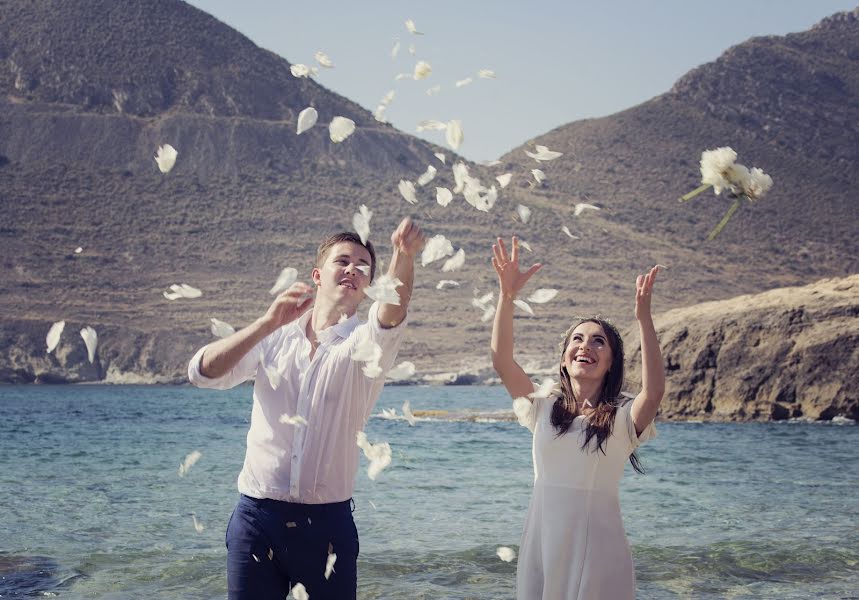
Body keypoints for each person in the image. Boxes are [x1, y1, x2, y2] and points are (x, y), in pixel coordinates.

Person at [188, 217, 425, 600]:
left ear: (368, 288)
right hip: (256, 518)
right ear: (318, 275)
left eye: (362, 267)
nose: (352, 269)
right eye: (342, 261)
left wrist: (403, 254)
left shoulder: (367, 346)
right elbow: (202, 372)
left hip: (327, 528)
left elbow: (392, 309)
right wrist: (266, 324)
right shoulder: (275, 336)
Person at [489, 236, 665, 600]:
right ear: (566, 356)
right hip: (544, 537)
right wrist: (507, 298)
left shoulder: (622, 417)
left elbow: (655, 391)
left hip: (598, 544)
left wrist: (644, 320)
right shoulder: (543, 404)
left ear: (612, 361)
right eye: (578, 339)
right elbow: (502, 361)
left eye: (599, 341)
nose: (586, 345)